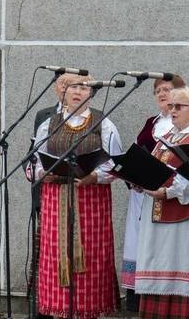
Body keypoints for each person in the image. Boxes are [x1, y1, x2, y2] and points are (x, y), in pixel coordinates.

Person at [28, 75, 123, 318]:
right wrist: (42, 173)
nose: (78, 92)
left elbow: (115, 162)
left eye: (84, 88)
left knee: (90, 257)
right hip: (56, 197)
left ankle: (88, 310)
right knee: (55, 254)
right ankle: (58, 310)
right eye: (73, 87)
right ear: (64, 92)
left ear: (91, 94)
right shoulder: (49, 124)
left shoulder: (104, 123)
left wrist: (94, 176)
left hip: (90, 199)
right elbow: (35, 159)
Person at [135, 87, 189, 318]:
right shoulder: (167, 136)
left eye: (179, 106)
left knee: (174, 265)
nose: (172, 110)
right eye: (171, 106)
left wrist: (167, 192)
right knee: (154, 263)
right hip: (156, 213)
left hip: (180, 217)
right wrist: (138, 178)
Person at [122, 75, 186, 313]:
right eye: (158, 90)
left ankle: (160, 298)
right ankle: (137, 298)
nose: (161, 93)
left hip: (166, 193)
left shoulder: (183, 125)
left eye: (167, 89)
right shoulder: (152, 122)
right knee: (138, 242)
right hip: (142, 194)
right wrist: (131, 175)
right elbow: (137, 151)